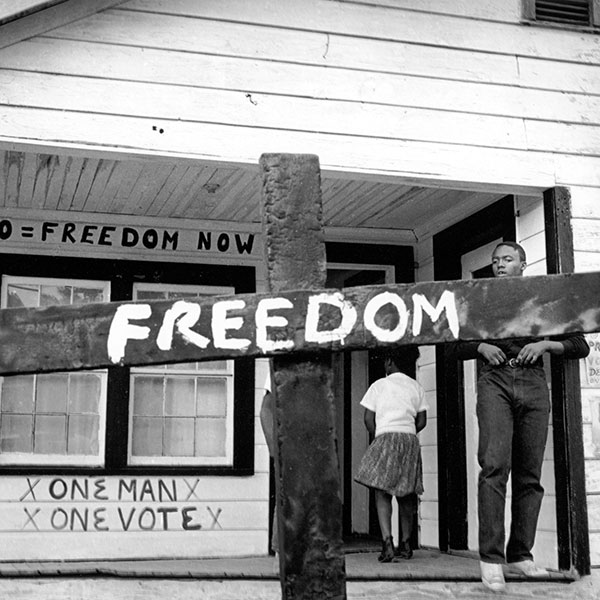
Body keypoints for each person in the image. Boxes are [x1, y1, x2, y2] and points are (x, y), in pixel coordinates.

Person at [455, 241, 590, 593]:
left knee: (530, 474)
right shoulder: (480, 299)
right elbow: (452, 344)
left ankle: (521, 554)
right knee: (495, 466)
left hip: (532, 382)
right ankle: (491, 560)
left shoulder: (544, 299)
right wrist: (479, 346)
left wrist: (545, 345)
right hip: (494, 382)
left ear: (523, 264)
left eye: (508, 259)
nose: (500, 265)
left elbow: (580, 345)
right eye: (496, 261)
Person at [354, 346, 427, 562]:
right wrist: (407, 431)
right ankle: (406, 543)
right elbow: (421, 420)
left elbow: (368, 418)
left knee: (381, 491)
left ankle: (387, 541)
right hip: (409, 439)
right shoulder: (416, 387)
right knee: (406, 493)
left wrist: (380, 433)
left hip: (385, 436)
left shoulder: (379, 385)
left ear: (388, 362)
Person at [259, 366, 279, 557]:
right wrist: (274, 450)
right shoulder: (278, 368)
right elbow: (266, 409)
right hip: (288, 446)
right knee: (286, 501)